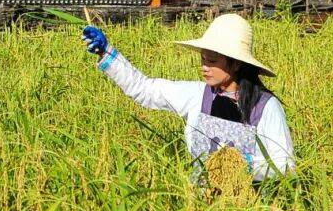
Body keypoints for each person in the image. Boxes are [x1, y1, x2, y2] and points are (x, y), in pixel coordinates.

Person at [81, 13, 294, 181]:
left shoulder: (265, 106)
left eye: (212, 61)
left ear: (236, 63)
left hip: (249, 210)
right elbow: (145, 89)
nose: (204, 67)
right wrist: (106, 52)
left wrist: (245, 165)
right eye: (203, 59)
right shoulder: (197, 95)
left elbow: (285, 165)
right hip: (200, 206)